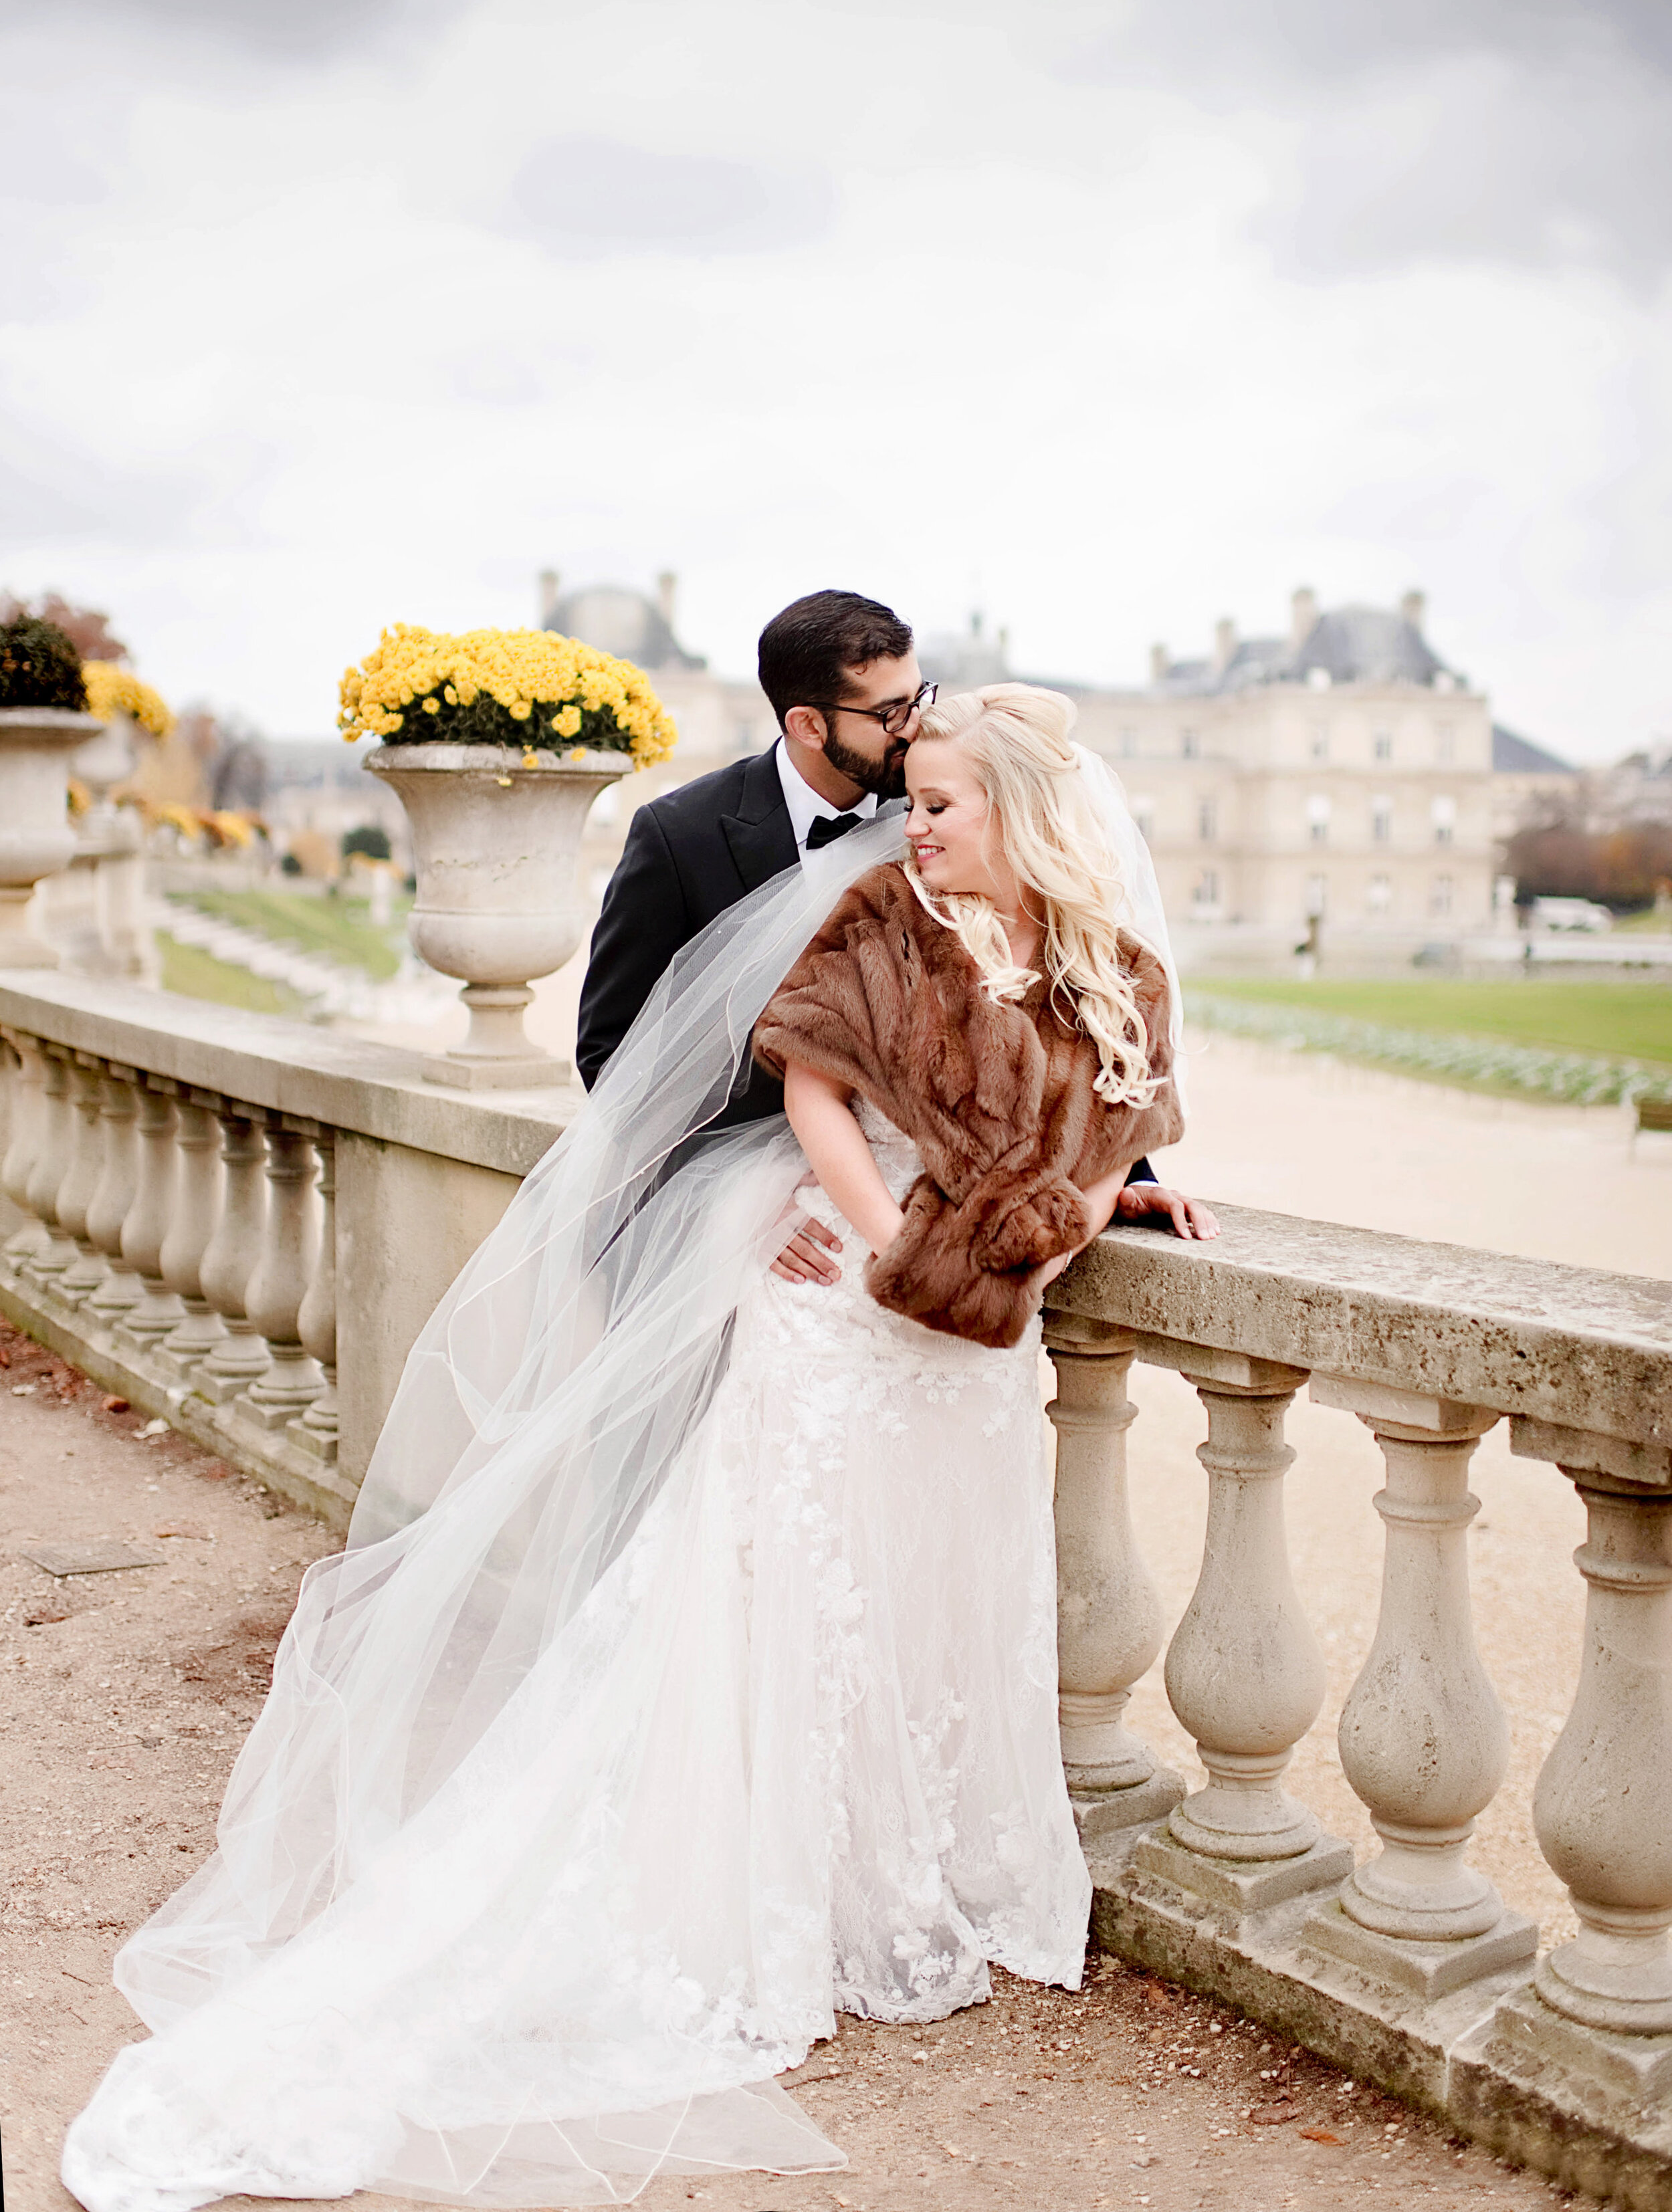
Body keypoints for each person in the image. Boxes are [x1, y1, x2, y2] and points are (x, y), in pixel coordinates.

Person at [64, 683, 1216, 2212]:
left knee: (927, 1598)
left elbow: (1094, 1132)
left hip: (974, 1350)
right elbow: (811, 1084)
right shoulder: (885, 913)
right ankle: (768, 1898)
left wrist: (1108, 1197)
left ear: (1027, 813)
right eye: (913, 796)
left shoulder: (1115, 969)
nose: (915, 823)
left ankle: (899, 1884)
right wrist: (888, 1252)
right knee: (787, 1599)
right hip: (835, 1305)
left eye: (943, 800)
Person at [578, 586, 1184, 1283]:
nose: (914, 724)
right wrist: (729, 1196)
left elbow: (1057, 982)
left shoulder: (943, 806)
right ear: (808, 725)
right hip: (745, 1227)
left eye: (919, 694)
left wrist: (1128, 1169)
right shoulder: (678, 836)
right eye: (890, 712)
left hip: (918, 1207)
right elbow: (611, 1052)